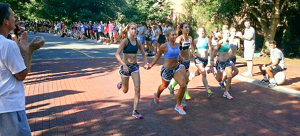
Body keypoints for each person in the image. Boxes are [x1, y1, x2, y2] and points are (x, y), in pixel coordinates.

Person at [0, 3, 45, 135]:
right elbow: (21, 74)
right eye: (13, 16)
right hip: (9, 107)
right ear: (6, 21)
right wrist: (30, 50)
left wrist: (20, 52)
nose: (15, 19)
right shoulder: (7, 45)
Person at [147, 28, 188, 115]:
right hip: (167, 70)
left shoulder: (177, 45)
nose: (174, 36)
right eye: (172, 35)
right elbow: (157, 57)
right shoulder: (164, 46)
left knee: (183, 84)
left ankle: (178, 105)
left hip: (176, 69)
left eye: (175, 34)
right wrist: (151, 65)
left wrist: (181, 59)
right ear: (168, 37)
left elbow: (178, 55)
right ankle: (157, 94)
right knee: (163, 86)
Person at [115, 23, 148, 119]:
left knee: (137, 87)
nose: (134, 30)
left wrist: (145, 63)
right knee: (125, 90)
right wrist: (124, 65)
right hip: (125, 67)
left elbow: (144, 54)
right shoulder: (125, 41)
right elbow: (117, 54)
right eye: (132, 29)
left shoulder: (138, 42)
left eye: (135, 29)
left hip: (134, 67)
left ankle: (135, 111)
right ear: (129, 30)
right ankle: (121, 82)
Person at [168, 22, 192, 100]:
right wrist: (180, 57)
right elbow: (175, 48)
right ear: (181, 29)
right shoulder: (179, 38)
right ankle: (185, 93)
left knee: (187, 77)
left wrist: (192, 53)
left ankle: (171, 86)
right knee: (185, 78)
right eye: (185, 27)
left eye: (188, 27)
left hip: (188, 60)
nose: (187, 28)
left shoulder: (189, 38)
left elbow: (188, 48)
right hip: (181, 61)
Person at [189, 27, 214, 97]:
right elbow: (192, 47)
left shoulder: (207, 39)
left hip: (205, 60)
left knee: (199, 72)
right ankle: (208, 91)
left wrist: (211, 59)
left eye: (203, 31)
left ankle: (192, 75)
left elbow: (211, 50)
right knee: (203, 72)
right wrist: (193, 52)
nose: (201, 32)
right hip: (198, 59)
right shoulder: (195, 40)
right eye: (200, 31)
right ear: (197, 32)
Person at [211, 29, 234, 100]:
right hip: (220, 62)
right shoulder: (221, 42)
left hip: (226, 61)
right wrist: (212, 60)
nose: (228, 35)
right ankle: (212, 71)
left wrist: (230, 53)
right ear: (223, 34)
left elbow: (229, 50)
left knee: (229, 75)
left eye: (228, 33)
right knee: (219, 79)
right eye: (226, 33)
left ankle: (226, 92)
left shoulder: (228, 42)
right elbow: (214, 50)